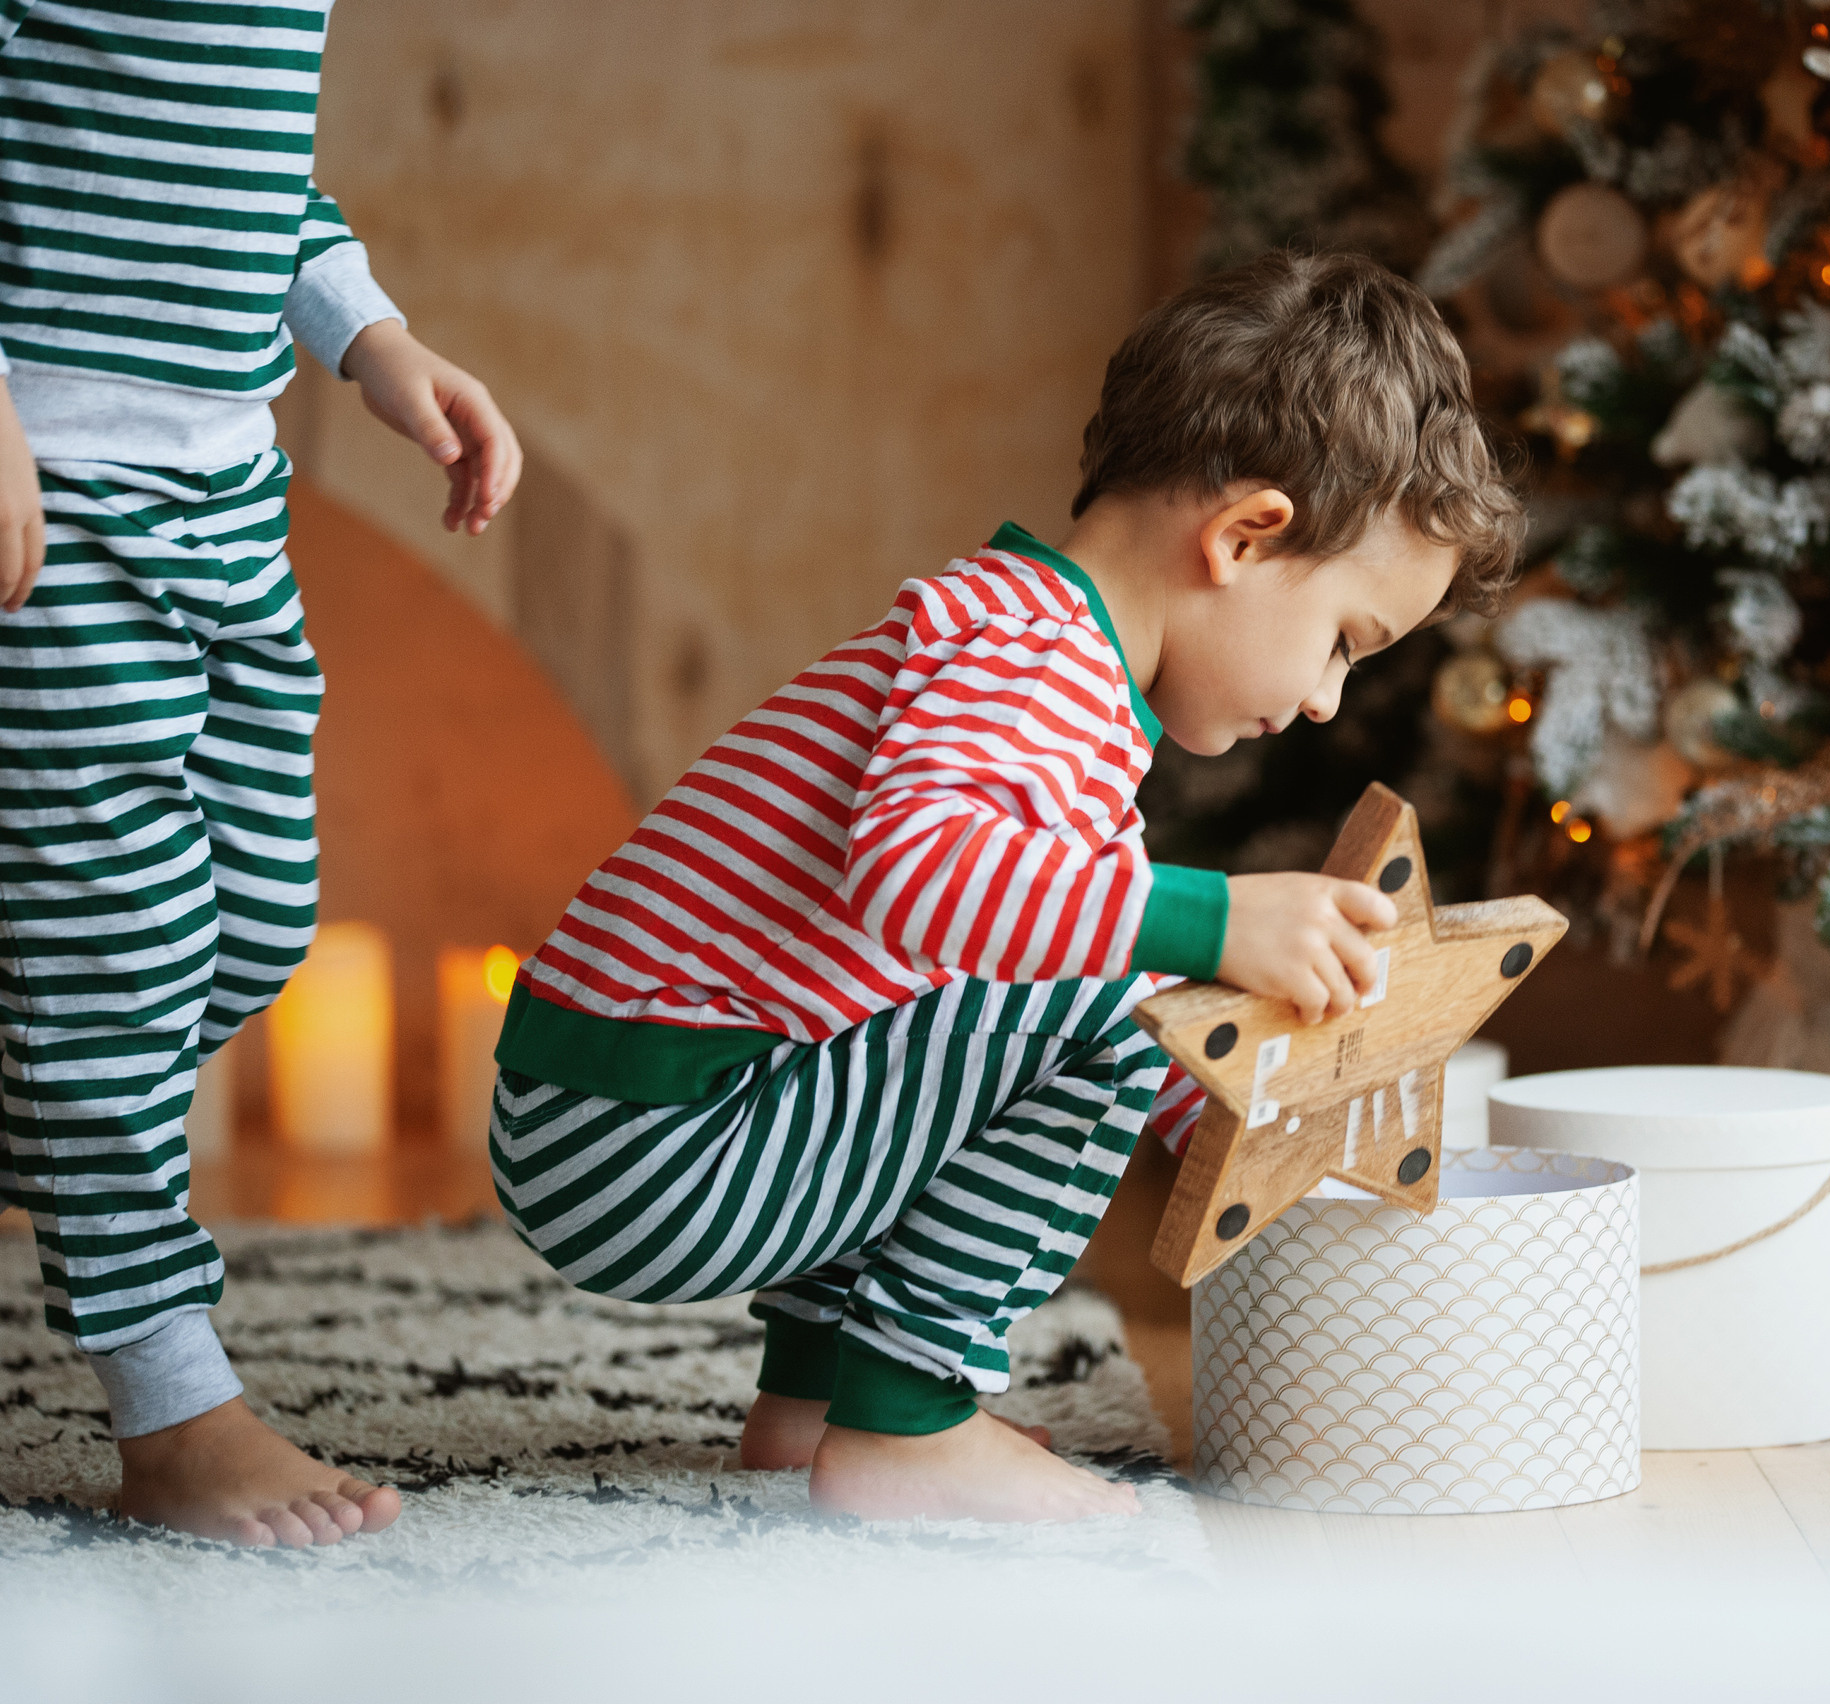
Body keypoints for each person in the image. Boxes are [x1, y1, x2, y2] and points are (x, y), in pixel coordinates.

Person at [491, 249, 1521, 1522]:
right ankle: (907, 1425)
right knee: (1092, 994)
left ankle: (813, 1401)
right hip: (646, 1142)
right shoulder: (1031, 654)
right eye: (1344, 644)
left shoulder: (1028, 646)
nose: (1323, 700)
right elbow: (921, 883)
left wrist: (1216, 1119)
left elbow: (971, 936)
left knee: (1068, 965)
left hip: (628, 1118)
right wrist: (1215, 917)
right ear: (1246, 535)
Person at [0, 2, 520, 1548]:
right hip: (59, 478)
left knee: (253, 924)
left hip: (226, 485)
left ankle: (59, 1082)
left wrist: (370, 335)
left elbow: (238, 162)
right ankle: (172, 1404)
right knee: (119, 947)